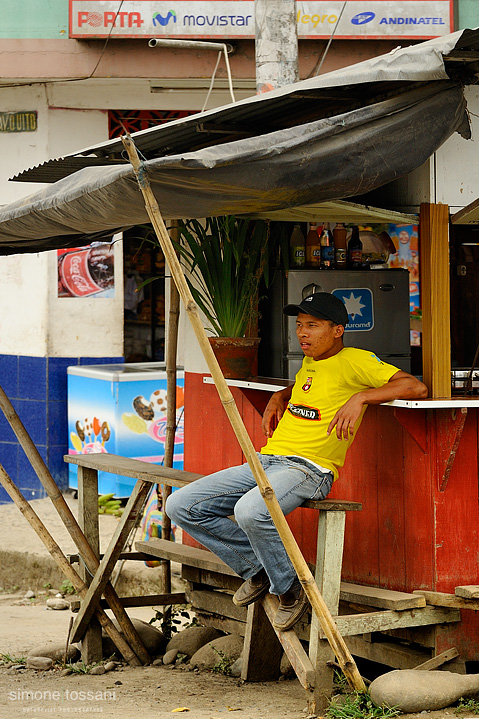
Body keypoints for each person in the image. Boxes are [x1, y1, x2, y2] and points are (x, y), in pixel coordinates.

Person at [166, 292, 428, 631]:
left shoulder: (355, 360)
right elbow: (313, 385)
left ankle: (291, 588)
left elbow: (415, 387)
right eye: (300, 325)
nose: (302, 333)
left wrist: (361, 397)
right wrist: (281, 395)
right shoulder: (311, 361)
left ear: (337, 330)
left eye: (313, 326)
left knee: (252, 511)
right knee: (180, 505)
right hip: (268, 460)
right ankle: (257, 569)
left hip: (309, 468)